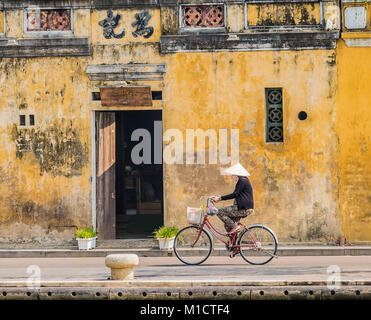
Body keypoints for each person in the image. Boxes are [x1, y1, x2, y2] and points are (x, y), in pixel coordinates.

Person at [212, 163, 254, 244]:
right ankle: (234, 245)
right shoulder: (244, 180)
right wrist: (220, 197)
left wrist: (220, 198)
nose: (232, 176)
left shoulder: (242, 180)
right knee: (227, 225)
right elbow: (236, 194)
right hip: (242, 207)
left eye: (232, 174)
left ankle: (235, 227)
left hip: (242, 208)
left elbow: (235, 194)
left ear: (236, 174)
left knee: (219, 212)